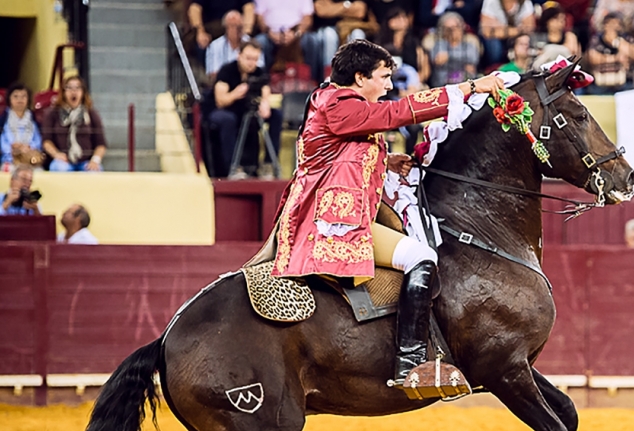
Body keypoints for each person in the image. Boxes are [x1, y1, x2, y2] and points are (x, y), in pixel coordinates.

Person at [264, 40, 505, 388]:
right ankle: (410, 362)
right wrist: (469, 87)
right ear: (360, 78)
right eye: (384, 77)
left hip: (330, 214)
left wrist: (386, 160)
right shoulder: (339, 103)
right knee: (422, 257)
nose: (390, 85)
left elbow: (339, 151)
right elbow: (396, 114)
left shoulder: (330, 100)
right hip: (329, 224)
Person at [209, 40, 283, 178]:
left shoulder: (259, 72)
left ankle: (268, 164)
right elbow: (220, 100)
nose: (251, 63)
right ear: (239, 55)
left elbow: (265, 91)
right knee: (228, 120)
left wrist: (265, 104)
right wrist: (235, 94)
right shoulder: (227, 70)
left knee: (276, 115)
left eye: (255, 59)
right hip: (228, 110)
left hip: (249, 110)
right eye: (248, 58)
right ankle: (233, 167)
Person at [41, 76, 107, 172]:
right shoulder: (52, 113)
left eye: (77, 88)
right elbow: (46, 141)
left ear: (83, 92)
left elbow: (101, 144)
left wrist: (95, 160)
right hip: (63, 160)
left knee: (94, 171)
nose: (73, 91)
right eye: (69, 88)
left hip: (85, 161)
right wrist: (56, 154)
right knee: (60, 168)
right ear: (63, 92)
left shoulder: (91, 113)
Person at [253, 0, 327, 84]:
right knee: (260, 41)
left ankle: (313, 82)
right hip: (271, 34)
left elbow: (307, 18)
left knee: (312, 41)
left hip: (296, 33)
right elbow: (260, 17)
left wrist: (296, 33)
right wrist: (270, 32)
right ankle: (263, 83)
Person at [205, 9, 266, 80]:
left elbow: (260, 68)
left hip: (249, 82)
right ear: (226, 27)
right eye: (232, 26)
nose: (236, 30)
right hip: (223, 83)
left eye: (239, 26)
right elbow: (212, 73)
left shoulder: (253, 43)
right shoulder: (215, 45)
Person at [376, 7, 431, 86]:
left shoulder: (414, 43)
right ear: (389, 22)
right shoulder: (381, 43)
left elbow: (424, 68)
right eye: (397, 17)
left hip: (412, 84)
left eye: (403, 17)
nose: (401, 20)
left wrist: (414, 85)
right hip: (388, 83)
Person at [587, 13, 634, 93]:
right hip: (601, 81)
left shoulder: (627, 39)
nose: (614, 27)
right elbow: (593, 59)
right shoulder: (596, 39)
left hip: (624, 82)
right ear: (604, 25)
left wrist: (617, 42)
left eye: (616, 24)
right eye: (610, 24)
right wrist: (615, 58)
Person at [0, 82, 44, 171]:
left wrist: (28, 148)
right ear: (9, 99)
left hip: (30, 160)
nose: (20, 100)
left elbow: (38, 143)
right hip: (10, 161)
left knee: (39, 172)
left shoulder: (35, 121)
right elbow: (0, 145)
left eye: (23, 96)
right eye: (15, 96)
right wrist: (15, 149)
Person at [428, 12, 481, 87]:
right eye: (448, 28)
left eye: (455, 27)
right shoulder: (438, 45)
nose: (452, 31)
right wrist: (463, 62)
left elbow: (473, 59)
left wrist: (448, 56)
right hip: (443, 86)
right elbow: (437, 60)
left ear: (461, 28)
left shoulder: (470, 45)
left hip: (466, 85)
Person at [480, 0, 537, 65]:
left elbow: (529, 28)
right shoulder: (491, 2)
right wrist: (517, 30)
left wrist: (502, 29)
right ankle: (494, 68)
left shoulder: (525, 2)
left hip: (516, 38)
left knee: (526, 40)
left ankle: (523, 67)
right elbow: (487, 32)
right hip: (496, 39)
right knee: (494, 46)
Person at [187, 0, 256, 53]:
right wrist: (200, 32)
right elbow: (194, 8)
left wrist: (246, 33)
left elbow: (249, 7)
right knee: (200, 47)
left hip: (236, 29)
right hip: (212, 31)